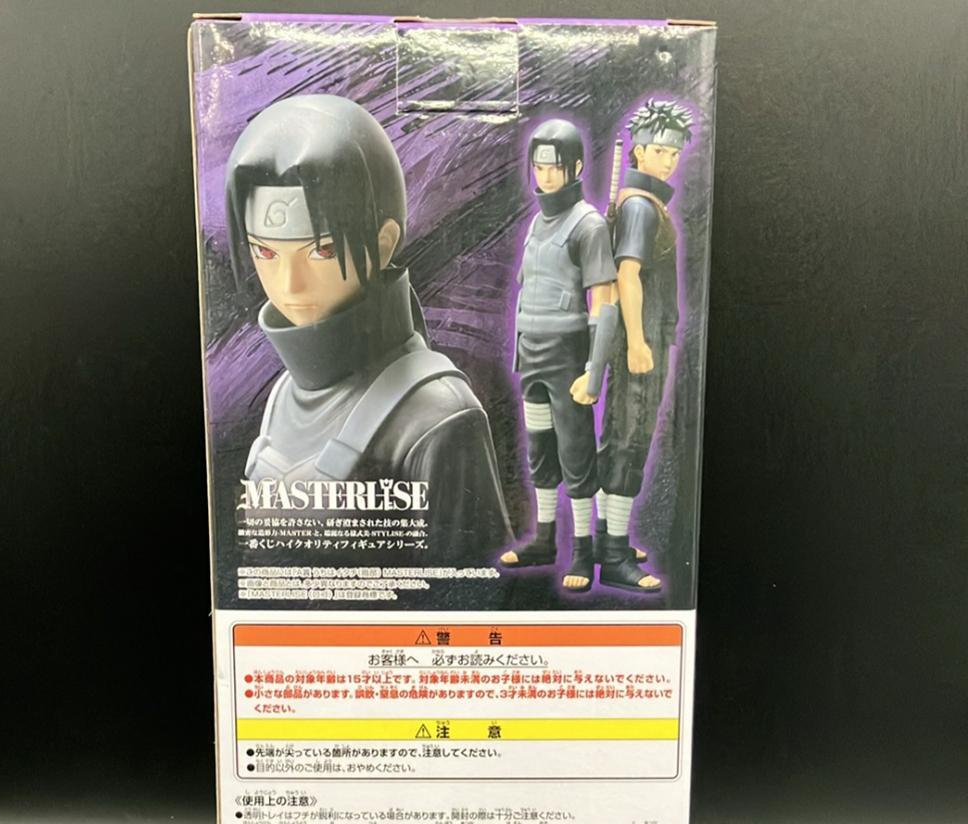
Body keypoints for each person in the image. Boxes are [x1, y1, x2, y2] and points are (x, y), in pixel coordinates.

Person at [225, 94, 511, 564]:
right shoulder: (282, 395)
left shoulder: (438, 414)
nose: (289, 284)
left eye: (321, 251)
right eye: (266, 252)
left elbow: (471, 592)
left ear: (383, 244)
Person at [500, 119, 618, 592]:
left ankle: (584, 549)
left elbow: (604, 304)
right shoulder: (537, 222)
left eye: (554, 167)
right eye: (539, 166)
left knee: (575, 454)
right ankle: (545, 539)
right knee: (540, 451)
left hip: (567, 355)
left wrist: (593, 370)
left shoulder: (588, 225)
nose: (545, 176)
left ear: (575, 167)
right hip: (531, 352)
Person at [595, 99, 694, 593]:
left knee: (622, 435)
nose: (669, 161)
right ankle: (613, 557)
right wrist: (637, 341)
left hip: (647, 335)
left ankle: (607, 538)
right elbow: (627, 275)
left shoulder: (642, 202)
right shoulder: (639, 207)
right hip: (643, 338)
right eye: (659, 151)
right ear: (638, 152)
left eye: (674, 154)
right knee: (630, 440)